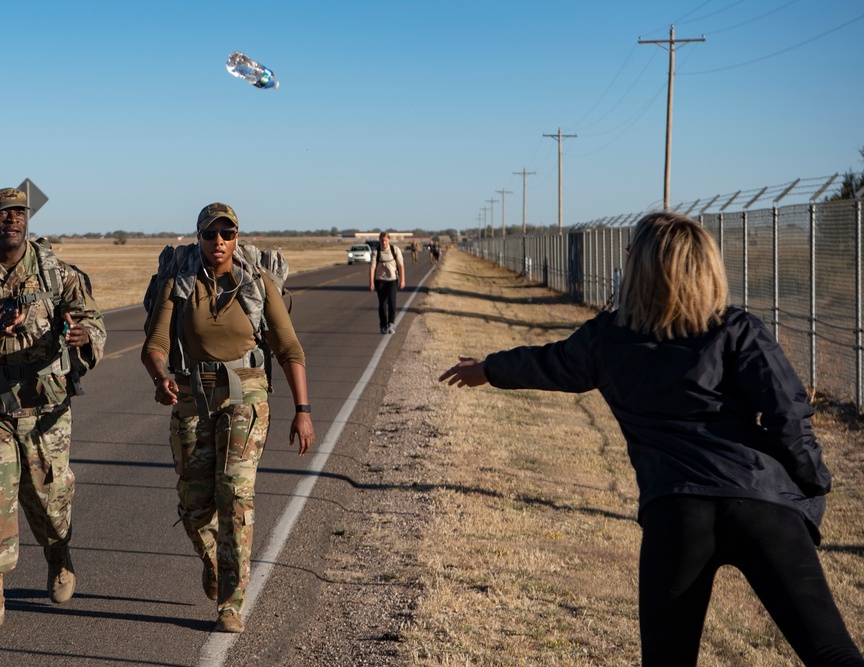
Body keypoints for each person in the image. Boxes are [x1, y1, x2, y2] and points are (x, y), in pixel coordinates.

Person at [439, 211, 864, 666]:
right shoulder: (737, 330)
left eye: (630, 250)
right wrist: (813, 481)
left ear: (642, 267)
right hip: (763, 506)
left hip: (675, 514)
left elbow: (549, 363)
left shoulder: (607, 339)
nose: (622, 255)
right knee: (832, 653)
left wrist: (488, 368)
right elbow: (789, 417)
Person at [0, 187, 106, 632]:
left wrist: (83, 336)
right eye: (1, 214)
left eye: (18, 213)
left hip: (46, 407)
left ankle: (58, 555)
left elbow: (93, 321)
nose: (11, 219)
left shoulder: (58, 273)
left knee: (49, 500)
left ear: (27, 220)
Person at [141, 202, 315, 634]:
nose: (218, 242)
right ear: (198, 238)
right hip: (190, 393)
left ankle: (231, 603)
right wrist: (162, 376)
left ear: (237, 238)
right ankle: (215, 562)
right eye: (210, 234)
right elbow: (155, 343)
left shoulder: (256, 283)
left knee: (234, 494)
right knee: (195, 504)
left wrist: (303, 411)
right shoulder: (178, 283)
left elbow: (289, 348)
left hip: (246, 389)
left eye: (227, 234)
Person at [368, 231, 406, 334]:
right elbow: (372, 267)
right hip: (380, 280)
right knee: (382, 304)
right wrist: (371, 282)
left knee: (392, 302)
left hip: (392, 280)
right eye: (381, 241)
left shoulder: (395, 250)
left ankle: (391, 324)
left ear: (388, 240)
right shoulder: (376, 252)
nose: (384, 243)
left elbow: (401, 265)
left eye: (385, 240)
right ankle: (383, 325)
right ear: (379, 241)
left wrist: (402, 280)